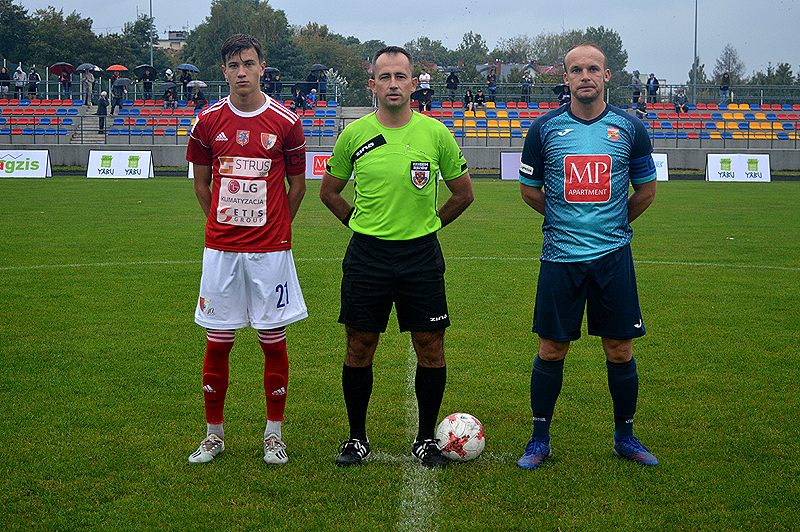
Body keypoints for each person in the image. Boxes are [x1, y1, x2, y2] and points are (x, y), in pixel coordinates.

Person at [319, 45, 474, 469]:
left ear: (414, 83)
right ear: (372, 84)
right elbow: (328, 192)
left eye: (400, 76)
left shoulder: (436, 133)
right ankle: (356, 438)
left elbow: (464, 194)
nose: (393, 84)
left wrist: (431, 225)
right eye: (384, 77)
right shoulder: (354, 134)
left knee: (430, 346)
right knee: (359, 345)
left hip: (420, 257)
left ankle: (426, 440)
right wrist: (357, 223)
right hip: (367, 256)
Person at [517, 41, 658, 470]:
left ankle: (625, 437)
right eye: (576, 70)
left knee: (619, 350)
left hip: (613, 257)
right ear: (565, 77)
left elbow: (646, 190)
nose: (585, 76)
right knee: (551, 349)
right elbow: (529, 190)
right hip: (560, 257)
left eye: (592, 69)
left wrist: (614, 221)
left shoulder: (631, 128)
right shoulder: (543, 129)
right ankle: (539, 440)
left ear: (606, 76)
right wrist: (564, 218)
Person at [185, 33, 308, 466]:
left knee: (272, 341)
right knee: (218, 342)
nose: (242, 72)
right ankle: (213, 435)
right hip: (221, 250)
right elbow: (202, 184)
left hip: (271, 251)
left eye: (249, 64)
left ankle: (273, 435)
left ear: (261, 67)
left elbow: (298, 187)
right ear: (224, 71)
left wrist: (276, 227)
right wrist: (221, 223)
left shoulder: (287, 122)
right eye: (234, 65)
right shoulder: (206, 121)